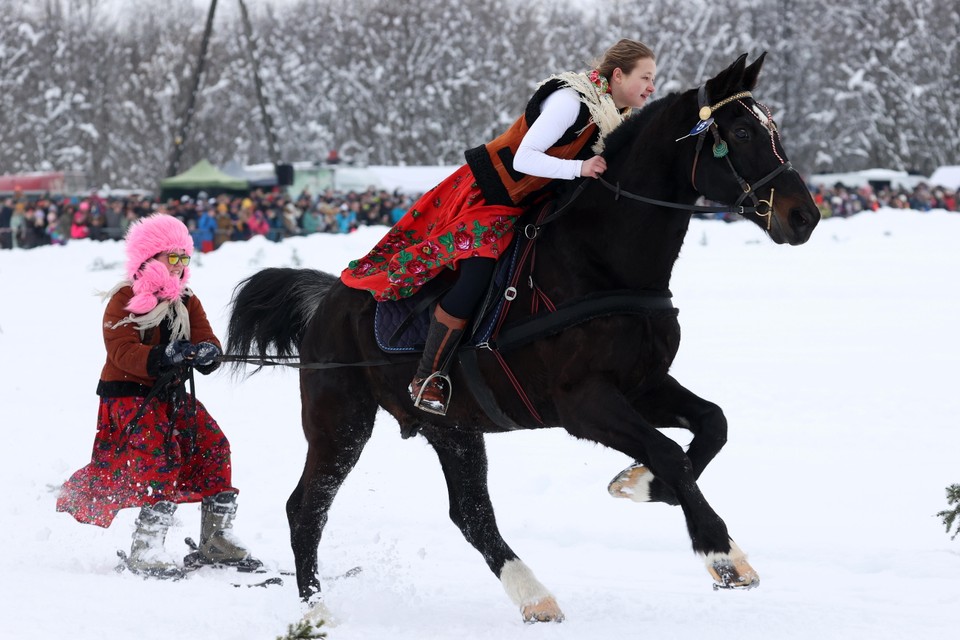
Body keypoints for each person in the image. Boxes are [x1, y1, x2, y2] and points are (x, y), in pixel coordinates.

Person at [341, 39, 657, 415]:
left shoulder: (611, 115)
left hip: (526, 202)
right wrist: (580, 168)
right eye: (646, 77)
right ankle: (427, 376)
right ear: (618, 75)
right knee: (477, 274)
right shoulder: (571, 101)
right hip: (488, 197)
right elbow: (526, 157)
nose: (652, 86)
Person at [56, 212, 259, 578]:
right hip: (127, 396)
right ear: (149, 257)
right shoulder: (123, 297)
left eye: (185, 257)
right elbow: (121, 351)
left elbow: (205, 336)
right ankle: (146, 546)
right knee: (159, 455)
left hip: (169, 393)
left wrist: (208, 352)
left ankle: (217, 539)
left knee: (214, 444)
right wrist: (164, 355)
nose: (181, 264)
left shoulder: (186, 299)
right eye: (173, 256)